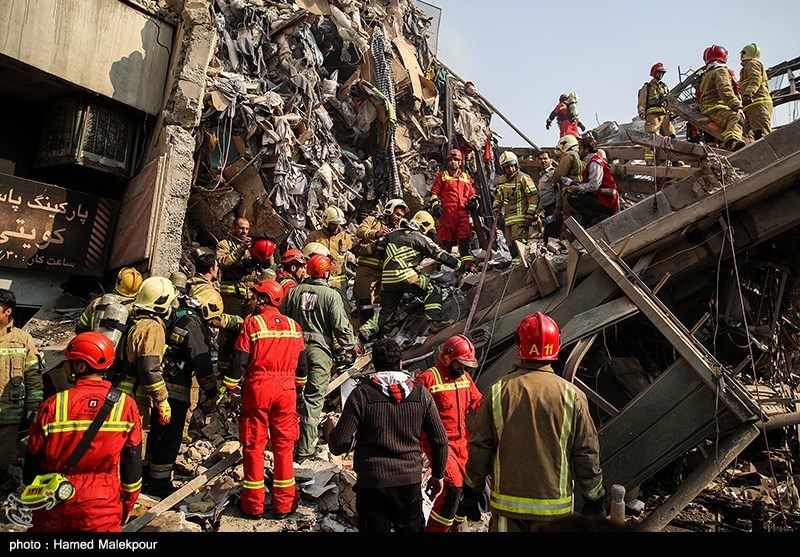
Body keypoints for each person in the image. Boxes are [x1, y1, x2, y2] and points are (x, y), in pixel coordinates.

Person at [462, 312, 606, 532]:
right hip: (555, 514)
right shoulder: (572, 395)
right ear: (556, 345)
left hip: (507, 511)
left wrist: (472, 490)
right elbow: (586, 451)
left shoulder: (497, 392)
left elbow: (480, 446)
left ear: (520, 345)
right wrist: (594, 498)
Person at [23, 332, 142, 532]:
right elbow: (132, 460)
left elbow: (32, 460)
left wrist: (35, 493)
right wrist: (129, 502)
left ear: (81, 366)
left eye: (69, 362)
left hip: (54, 497)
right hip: (101, 504)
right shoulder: (125, 405)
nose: (65, 366)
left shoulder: (52, 405)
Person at [328, 337, 448, 533]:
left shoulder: (362, 395)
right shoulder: (421, 394)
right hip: (409, 482)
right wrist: (438, 475)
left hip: (372, 484)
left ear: (375, 365)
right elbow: (440, 440)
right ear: (400, 364)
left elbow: (338, 443)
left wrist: (356, 441)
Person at [218, 279, 305, 519]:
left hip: (259, 387)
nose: (251, 300)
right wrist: (298, 387)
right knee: (284, 446)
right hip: (287, 389)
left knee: (254, 445)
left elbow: (239, 361)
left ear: (265, 299)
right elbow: (303, 366)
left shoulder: (252, 324)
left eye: (255, 297)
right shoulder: (294, 326)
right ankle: (285, 504)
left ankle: (253, 505)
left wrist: (230, 386)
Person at [142, 288, 222, 498]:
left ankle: (144, 476)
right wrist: (211, 391)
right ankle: (160, 485)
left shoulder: (175, 314)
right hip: (176, 389)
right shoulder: (194, 325)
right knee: (170, 437)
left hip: (156, 386)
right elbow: (202, 363)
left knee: (156, 434)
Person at [283, 254, 357, 461]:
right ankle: (306, 448)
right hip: (319, 353)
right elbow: (341, 327)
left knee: (291, 396)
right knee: (313, 399)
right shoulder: (331, 295)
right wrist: (351, 347)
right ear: (326, 272)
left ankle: (284, 442)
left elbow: (282, 318)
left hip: (293, 351)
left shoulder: (294, 293)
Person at [414, 334, 482, 532]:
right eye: (460, 364)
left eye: (466, 365)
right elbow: (412, 413)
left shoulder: (465, 378)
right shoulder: (427, 379)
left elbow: (478, 402)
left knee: (467, 488)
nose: (463, 369)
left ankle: (457, 525)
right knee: (453, 488)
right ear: (447, 358)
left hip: (462, 444)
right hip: (440, 446)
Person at [374, 211, 475, 336]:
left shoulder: (393, 234)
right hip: (406, 275)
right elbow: (442, 256)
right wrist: (465, 267)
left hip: (387, 279)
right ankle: (435, 322)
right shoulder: (421, 238)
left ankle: (364, 335)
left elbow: (379, 250)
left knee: (386, 311)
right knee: (433, 289)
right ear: (425, 225)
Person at [118, 276, 178, 428]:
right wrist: (162, 400)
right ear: (161, 304)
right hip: (135, 398)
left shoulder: (132, 317)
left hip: (117, 388)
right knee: (136, 442)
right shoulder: (152, 327)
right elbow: (148, 369)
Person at [0, 289, 43, 482]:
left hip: (10, 418)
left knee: (5, 464)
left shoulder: (23, 339)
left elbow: (33, 376)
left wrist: (32, 409)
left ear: (7, 311)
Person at [353, 198, 407, 330]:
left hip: (385, 272)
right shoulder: (372, 220)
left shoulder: (399, 230)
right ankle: (363, 330)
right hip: (367, 270)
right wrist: (377, 234)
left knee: (383, 304)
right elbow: (360, 232)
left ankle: (378, 331)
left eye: (401, 216)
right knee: (365, 302)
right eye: (397, 214)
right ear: (389, 210)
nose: (399, 218)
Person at [429, 149, 479, 263]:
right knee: (446, 243)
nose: (453, 162)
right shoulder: (442, 176)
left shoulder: (466, 178)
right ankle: (444, 268)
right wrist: (436, 206)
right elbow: (434, 193)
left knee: (464, 241)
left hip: (463, 215)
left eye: (456, 160)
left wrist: (474, 202)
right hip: (447, 215)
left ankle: (468, 267)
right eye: (451, 160)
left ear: (460, 162)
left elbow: (472, 194)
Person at [492, 151, 539, 265]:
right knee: (510, 244)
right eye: (508, 167)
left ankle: (521, 267)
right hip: (508, 220)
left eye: (513, 166)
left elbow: (533, 197)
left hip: (522, 218)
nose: (511, 169)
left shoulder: (524, 178)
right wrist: (496, 207)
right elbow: (499, 195)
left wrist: (530, 214)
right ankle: (515, 266)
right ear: (503, 168)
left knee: (519, 243)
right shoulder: (501, 180)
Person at [563, 136, 620, 226]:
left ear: (586, 150)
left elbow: (594, 186)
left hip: (606, 201)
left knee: (572, 198)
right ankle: (591, 218)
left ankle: (598, 217)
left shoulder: (595, 163)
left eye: (580, 149)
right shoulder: (593, 162)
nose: (578, 152)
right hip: (604, 199)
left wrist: (577, 188)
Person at [699, 45, 746, 151]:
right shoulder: (720, 71)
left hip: (707, 108)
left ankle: (718, 146)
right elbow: (725, 90)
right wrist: (737, 107)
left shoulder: (706, 75)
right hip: (716, 107)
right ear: (724, 56)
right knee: (736, 118)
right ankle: (732, 142)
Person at [187, 250, 243, 332]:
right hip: (196, 329)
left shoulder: (190, 282)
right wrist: (236, 320)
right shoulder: (207, 291)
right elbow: (213, 319)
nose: (218, 269)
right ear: (211, 270)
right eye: (217, 267)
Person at [75, 267, 142, 334]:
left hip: (97, 342)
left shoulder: (98, 301)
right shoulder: (136, 309)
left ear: (118, 282)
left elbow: (81, 327)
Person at [303, 206, 355, 290]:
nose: (337, 226)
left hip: (340, 285)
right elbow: (305, 257)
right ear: (326, 222)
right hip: (319, 283)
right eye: (334, 224)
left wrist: (351, 256)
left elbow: (356, 250)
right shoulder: (314, 236)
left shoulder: (345, 236)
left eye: (339, 224)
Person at [637, 62, 677, 165]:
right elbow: (642, 101)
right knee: (652, 138)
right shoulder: (647, 86)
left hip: (665, 115)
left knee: (671, 136)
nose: (661, 75)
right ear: (654, 73)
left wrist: (671, 113)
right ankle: (650, 161)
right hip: (652, 116)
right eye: (659, 72)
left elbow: (669, 101)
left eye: (662, 73)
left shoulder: (664, 86)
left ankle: (675, 160)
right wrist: (642, 112)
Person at [550, 134, 585, 227]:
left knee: (568, 218)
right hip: (581, 191)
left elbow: (558, 175)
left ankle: (567, 240)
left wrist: (552, 178)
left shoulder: (568, 156)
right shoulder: (580, 156)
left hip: (569, 191)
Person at [739, 43, 773, 140]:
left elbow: (755, 79)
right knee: (748, 136)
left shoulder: (752, 63)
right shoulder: (745, 68)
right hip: (751, 106)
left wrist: (748, 94)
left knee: (761, 135)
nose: (740, 55)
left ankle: (768, 154)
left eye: (742, 53)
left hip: (758, 104)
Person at [533, 150, 561, 242]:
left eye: (545, 158)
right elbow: (542, 195)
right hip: (546, 211)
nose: (543, 161)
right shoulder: (542, 176)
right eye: (540, 159)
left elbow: (558, 191)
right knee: (547, 237)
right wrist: (538, 212)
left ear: (551, 160)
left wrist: (557, 208)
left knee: (552, 238)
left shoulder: (553, 173)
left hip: (553, 209)